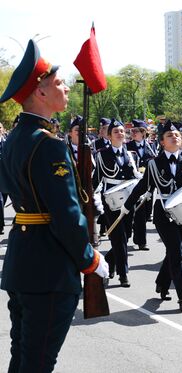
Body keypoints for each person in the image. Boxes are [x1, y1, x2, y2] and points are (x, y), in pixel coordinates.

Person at [0, 39, 109, 373]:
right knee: (38, 363)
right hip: (48, 269)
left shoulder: (15, 139)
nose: (66, 89)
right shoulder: (47, 145)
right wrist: (90, 260)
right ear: (40, 92)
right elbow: (65, 214)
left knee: (23, 358)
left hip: (23, 263)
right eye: (59, 83)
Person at [122, 121, 182, 312]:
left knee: (172, 253)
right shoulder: (154, 164)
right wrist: (126, 206)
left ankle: (162, 283)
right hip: (163, 213)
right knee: (178, 253)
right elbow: (142, 187)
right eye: (169, 135)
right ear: (162, 142)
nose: (175, 137)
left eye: (177, 135)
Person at [93, 119, 142, 287]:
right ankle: (123, 274)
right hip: (111, 200)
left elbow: (135, 176)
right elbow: (97, 178)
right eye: (116, 131)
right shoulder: (102, 154)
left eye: (122, 131)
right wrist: (90, 198)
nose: (120, 134)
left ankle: (107, 261)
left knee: (126, 235)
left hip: (128, 199)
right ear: (109, 136)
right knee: (118, 236)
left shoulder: (131, 154)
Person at [127, 119, 157, 250]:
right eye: (132, 131)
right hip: (134, 183)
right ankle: (141, 241)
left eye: (136, 131)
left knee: (146, 213)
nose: (133, 133)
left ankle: (138, 230)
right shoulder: (127, 147)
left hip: (148, 182)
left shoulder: (151, 146)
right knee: (138, 211)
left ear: (143, 133)